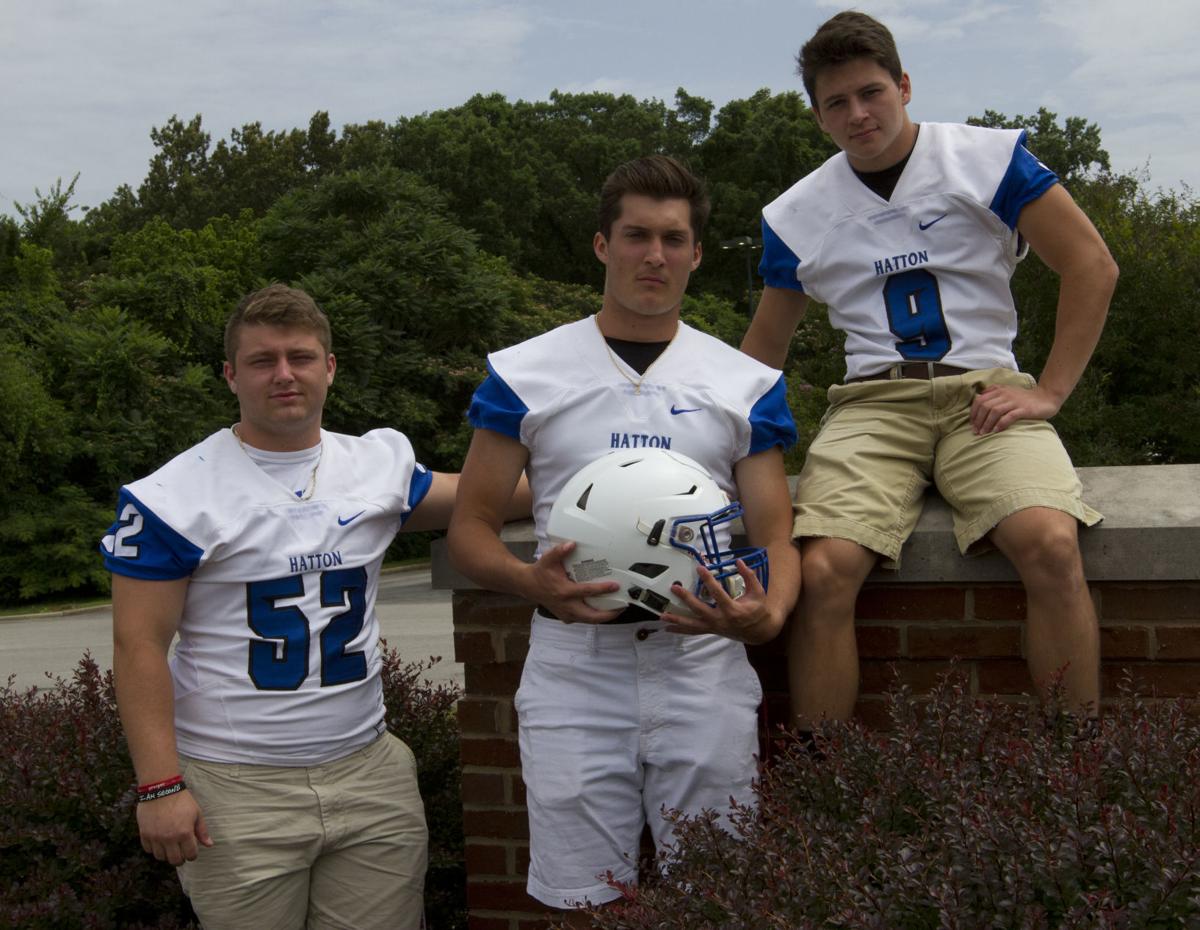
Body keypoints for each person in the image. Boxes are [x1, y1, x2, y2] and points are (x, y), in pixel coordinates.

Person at [741, 11, 1119, 737]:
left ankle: (1077, 763)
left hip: (985, 389)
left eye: (872, 92)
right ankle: (824, 787)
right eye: (837, 103)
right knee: (822, 572)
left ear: (905, 85)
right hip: (873, 404)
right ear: (817, 115)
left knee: (1049, 542)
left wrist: (1049, 391)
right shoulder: (796, 213)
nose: (858, 114)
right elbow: (762, 353)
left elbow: (1092, 264)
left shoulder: (986, 158)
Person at [101, 284, 525, 929]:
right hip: (236, 785)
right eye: (262, 360)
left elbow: (487, 496)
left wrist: (611, 480)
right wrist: (160, 785)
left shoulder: (375, 466)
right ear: (230, 375)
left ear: (329, 367)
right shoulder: (172, 496)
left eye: (300, 357)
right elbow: (138, 647)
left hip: (369, 772)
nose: (283, 375)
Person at [446, 155, 801, 922]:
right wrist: (526, 582)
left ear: (697, 254)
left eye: (674, 239)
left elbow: (777, 535)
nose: (655, 255)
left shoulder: (743, 381)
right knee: (587, 905)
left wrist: (768, 615)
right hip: (577, 668)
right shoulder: (526, 374)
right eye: (636, 235)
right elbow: (471, 531)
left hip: (701, 661)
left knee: (716, 898)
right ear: (602, 245)